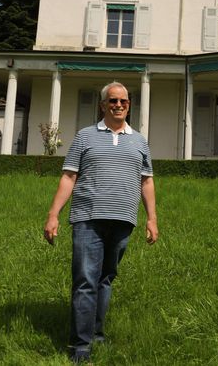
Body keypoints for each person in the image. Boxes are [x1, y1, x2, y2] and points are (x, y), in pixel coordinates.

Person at [44, 81, 158, 363]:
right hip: (88, 218)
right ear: (103, 104)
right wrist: (53, 214)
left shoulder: (140, 140)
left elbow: (147, 181)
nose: (119, 105)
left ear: (129, 105)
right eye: (113, 101)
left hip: (123, 219)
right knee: (85, 280)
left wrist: (152, 219)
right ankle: (80, 346)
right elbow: (69, 176)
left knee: (106, 279)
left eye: (124, 102)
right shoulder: (85, 137)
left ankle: (96, 334)